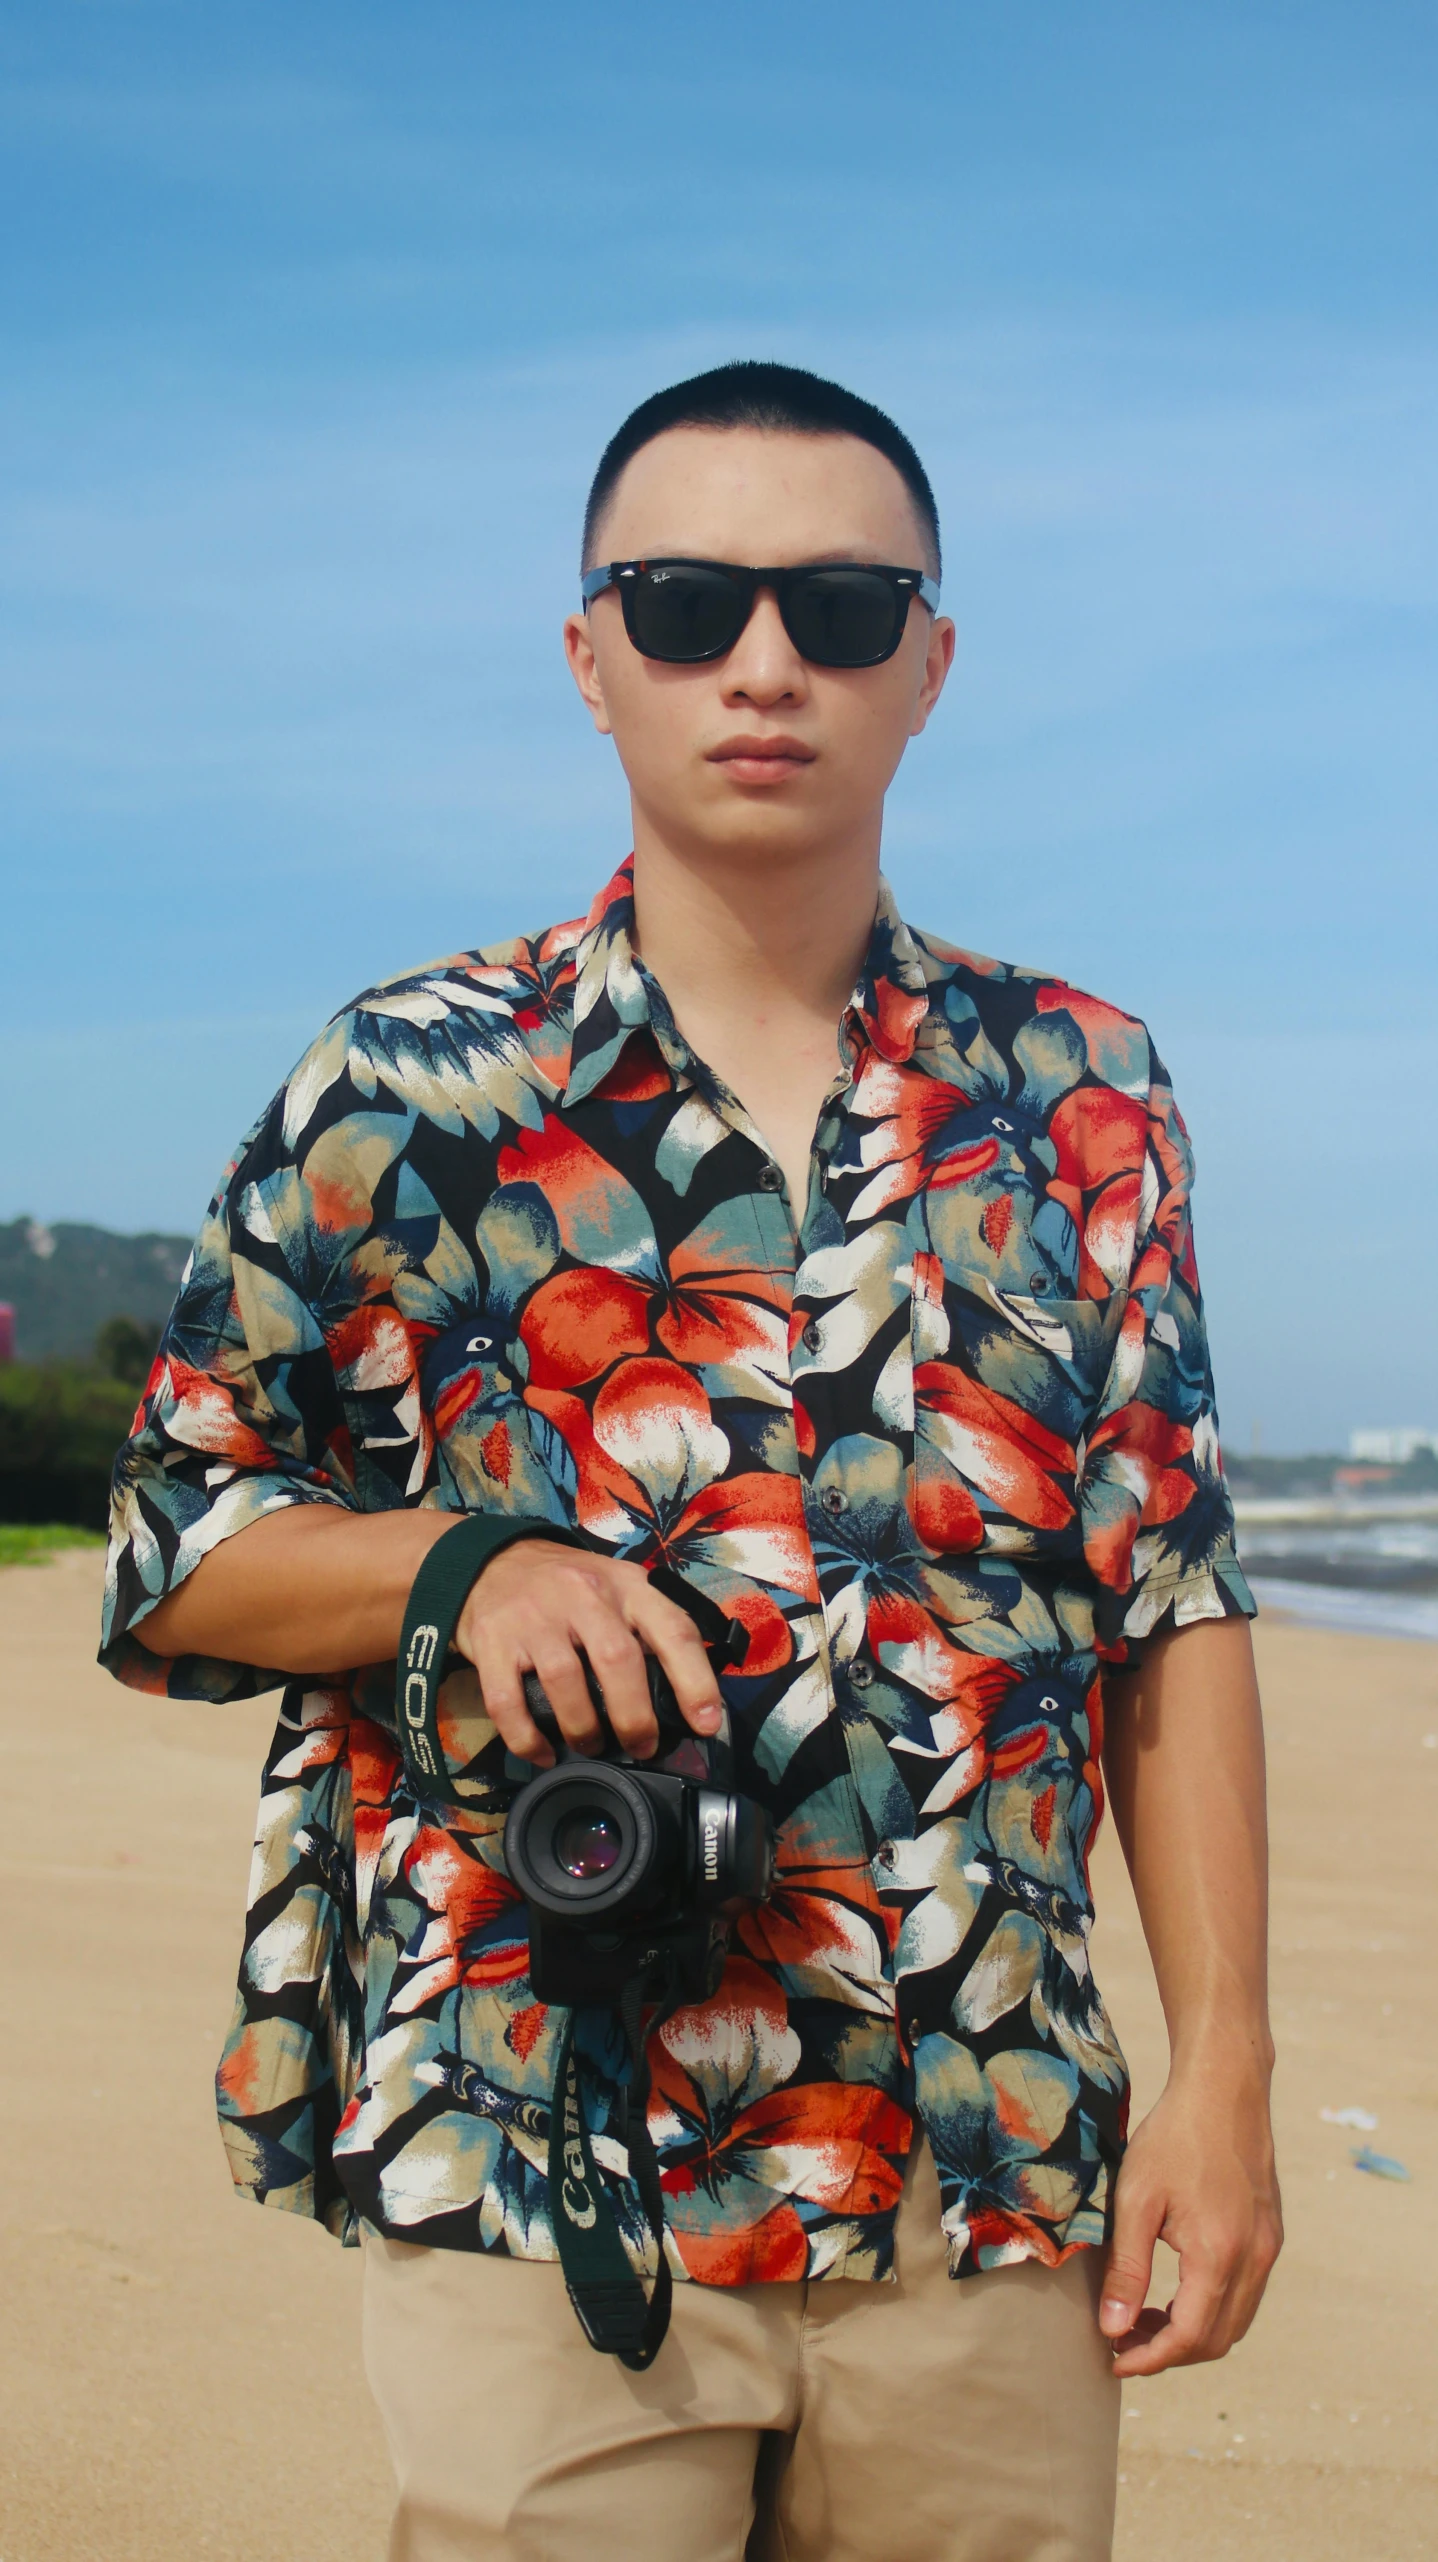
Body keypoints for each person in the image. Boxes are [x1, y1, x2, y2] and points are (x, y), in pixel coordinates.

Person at [102, 361, 1281, 2562]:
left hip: (976, 2129)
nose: (763, 664)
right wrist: (456, 1568)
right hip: (537, 2125)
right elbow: (173, 1553)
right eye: (682, 602)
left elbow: (1163, 1602)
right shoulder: (406, 1085)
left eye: (841, 607)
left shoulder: (1084, 1096)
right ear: (586, 655)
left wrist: (1221, 2073)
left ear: (928, 663)